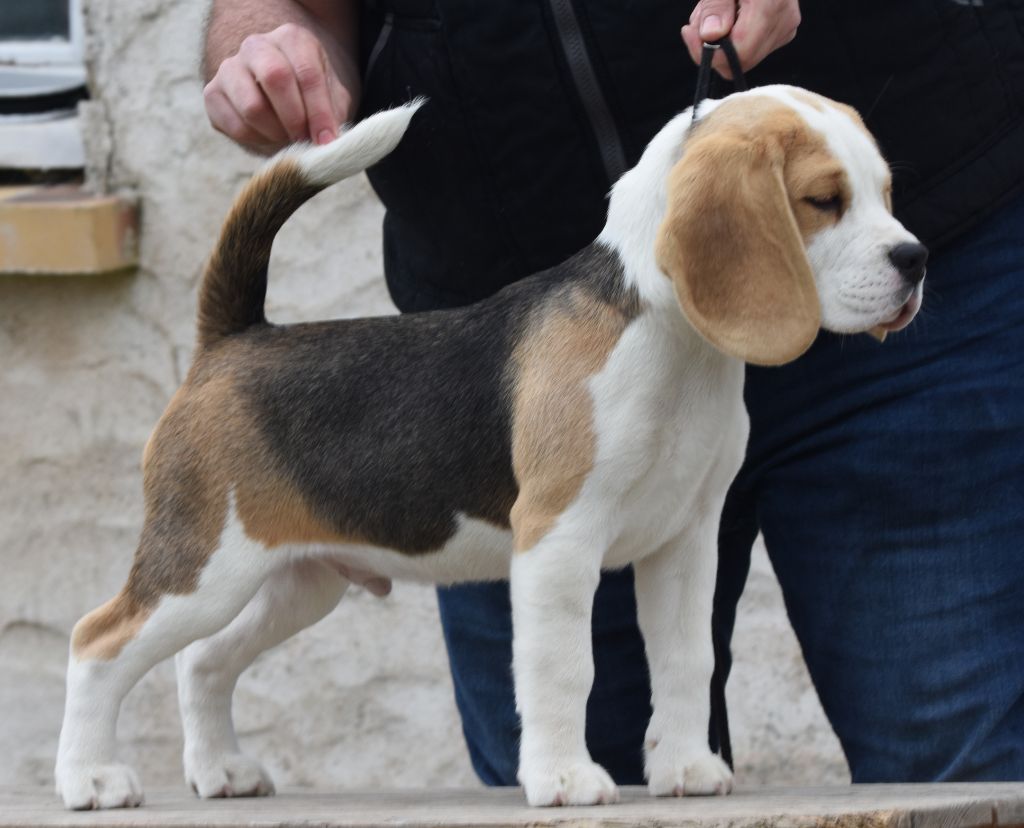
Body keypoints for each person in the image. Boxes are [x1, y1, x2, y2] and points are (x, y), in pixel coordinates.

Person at [202, 0, 1024, 785]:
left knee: (956, 766)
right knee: (577, 786)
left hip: (912, 312)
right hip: (513, 345)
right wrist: (273, 37)